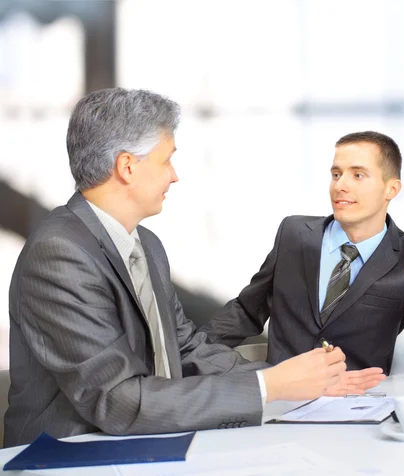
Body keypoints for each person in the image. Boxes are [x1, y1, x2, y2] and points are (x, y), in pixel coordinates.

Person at [4, 88, 381, 448]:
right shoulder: (59, 254)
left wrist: (300, 379)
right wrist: (271, 387)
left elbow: (186, 349)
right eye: (166, 159)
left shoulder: (145, 244)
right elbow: (117, 400)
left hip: (149, 442)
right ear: (127, 167)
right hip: (71, 457)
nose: (174, 175)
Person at [201, 131, 404, 377]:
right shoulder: (294, 234)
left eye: (358, 175)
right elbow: (247, 312)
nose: (341, 185)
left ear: (392, 189)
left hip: (358, 406)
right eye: (336, 174)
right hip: (281, 401)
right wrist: (184, 355)